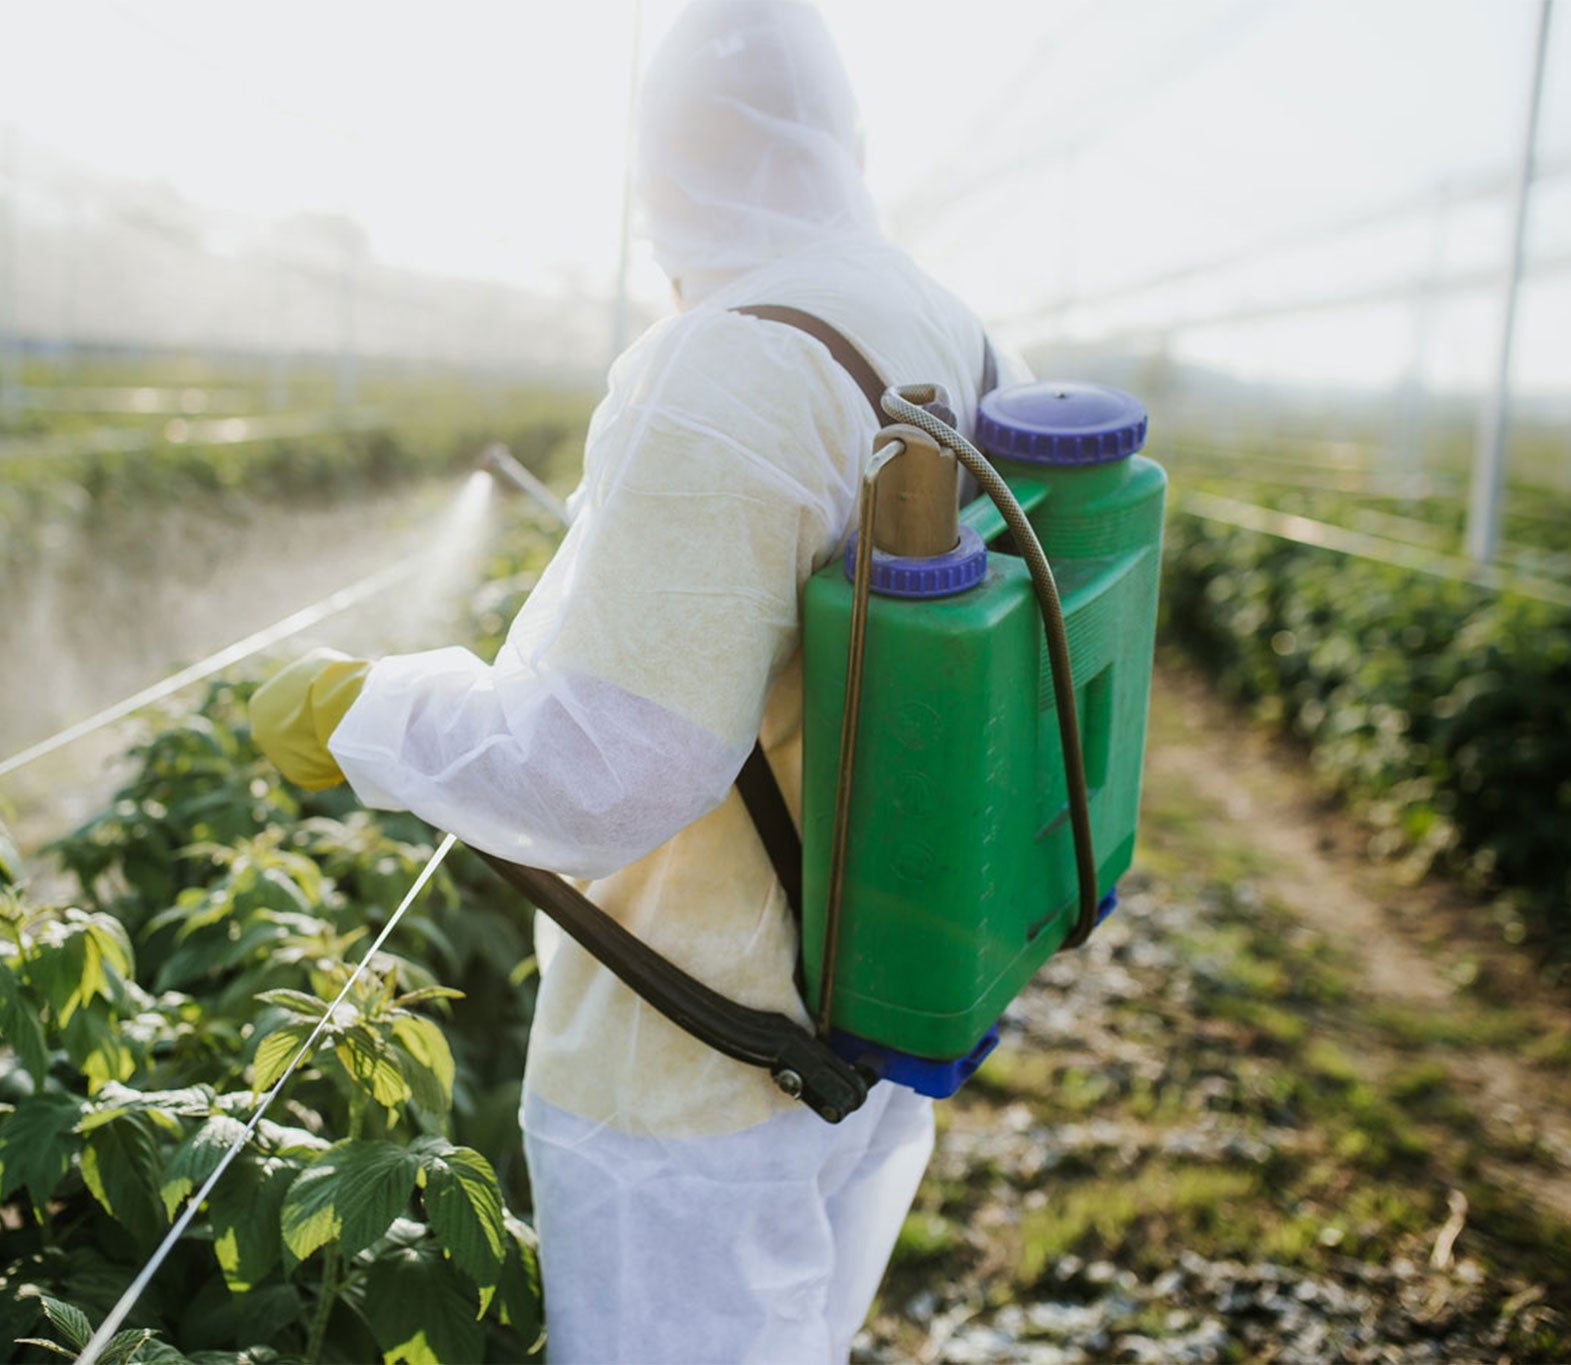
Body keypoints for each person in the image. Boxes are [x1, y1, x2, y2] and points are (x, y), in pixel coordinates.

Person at [250, 2, 1024, 1358]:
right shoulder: (947, 324)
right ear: (846, 139)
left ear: (659, 167)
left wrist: (361, 713)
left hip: (695, 1078)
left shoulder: (727, 368)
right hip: (872, 1004)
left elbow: (603, 769)